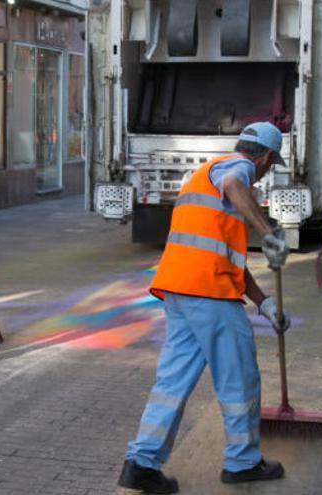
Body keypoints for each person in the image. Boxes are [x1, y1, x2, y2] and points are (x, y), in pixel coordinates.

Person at [118, 122, 291, 494]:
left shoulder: (202, 176)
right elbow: (235, 183)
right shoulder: (237, 170)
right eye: (269, 166)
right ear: (264, 158)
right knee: (240, 378)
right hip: (210, 295)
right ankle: (243, 462)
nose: (264, 174)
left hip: (181, 290)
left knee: (172, 383)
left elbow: (225, 257)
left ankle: (141, 463)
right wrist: (269, 232)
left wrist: (265, 304)